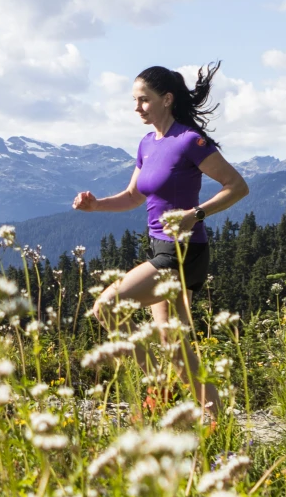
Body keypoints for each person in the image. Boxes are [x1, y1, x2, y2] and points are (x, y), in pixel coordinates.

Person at [72, 63, 248, 411]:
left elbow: (238, 187)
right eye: (135, 101)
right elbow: (134, 196)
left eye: (144, 100)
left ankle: (157, 385)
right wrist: (96, 206)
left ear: (166, 99)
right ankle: (215, 420)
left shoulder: (190, 142)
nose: (137, 108)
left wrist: (194, 215)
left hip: (183, 253)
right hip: (163, 249)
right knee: (176, 346)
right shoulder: (148, 144)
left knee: (106, 307)